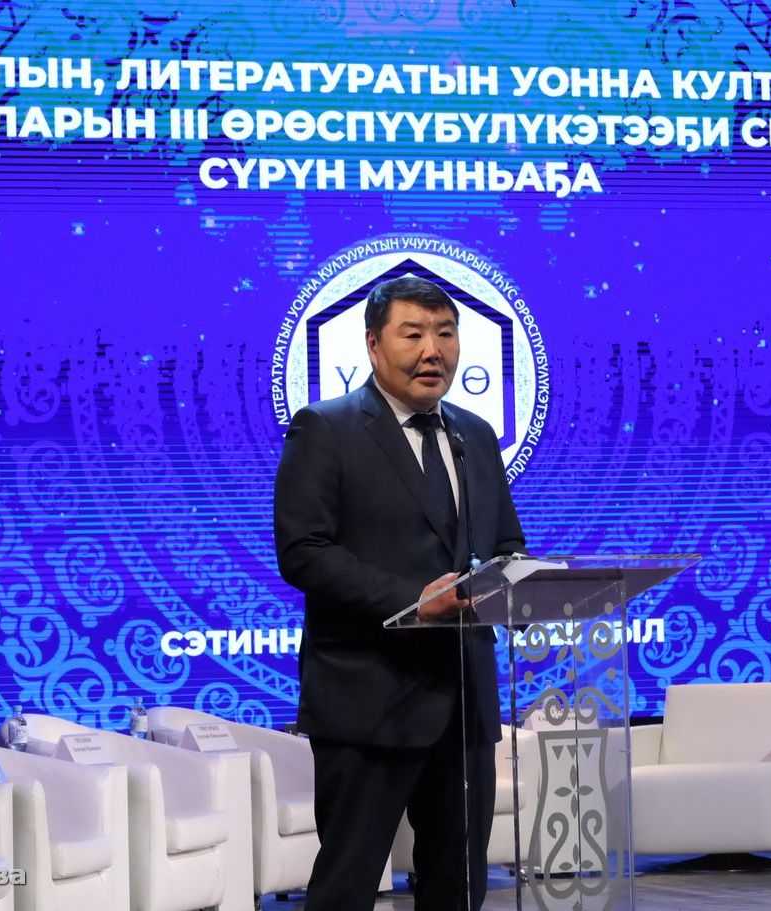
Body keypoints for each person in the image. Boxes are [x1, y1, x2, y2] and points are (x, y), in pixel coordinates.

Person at [274, 275, 526, 911]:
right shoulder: (326, 429)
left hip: (464, 702)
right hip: (369, 700)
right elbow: (303, 552)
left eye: (445, 334)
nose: (432, 350)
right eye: (412, 334)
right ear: (373, 345)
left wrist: (526, 588)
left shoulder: (476, 435)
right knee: (347, 888)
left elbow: (505, 546)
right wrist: (414, 600)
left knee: (458, 888)